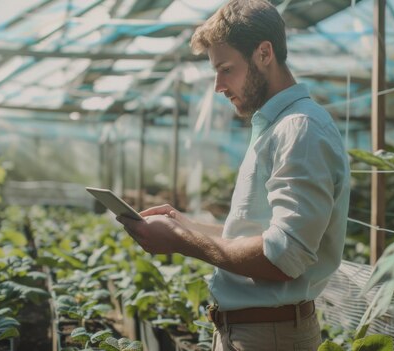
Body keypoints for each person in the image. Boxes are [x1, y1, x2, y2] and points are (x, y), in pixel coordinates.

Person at [117, 0, 350, 350]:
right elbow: (255, 233)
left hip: (271, 337)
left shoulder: (300, 129)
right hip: (253, 331)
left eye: (225, 68)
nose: (218, 86)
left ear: (264, 53)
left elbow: (283, 256)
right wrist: (184, 224)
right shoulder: (275, 127)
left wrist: (181, 242)